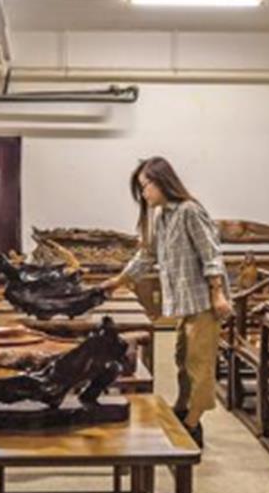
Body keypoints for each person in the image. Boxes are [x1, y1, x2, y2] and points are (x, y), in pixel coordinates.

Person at [98, 157, 231, 446]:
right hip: (185, 304)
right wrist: (118, 281)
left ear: (161, 182)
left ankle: (192, 425)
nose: (143, 193)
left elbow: (211, 255)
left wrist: (217, 293)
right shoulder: (161, 216)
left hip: (203, 304)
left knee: (199, 365)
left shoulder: (189, 211)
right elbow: (147, 255)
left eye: (145, 186)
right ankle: (183, 409)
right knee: (182, 360)